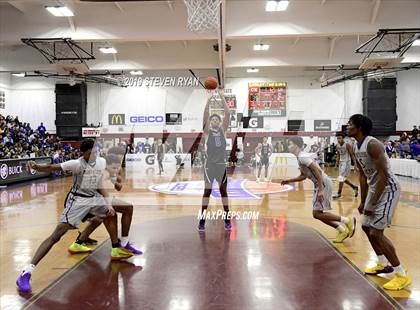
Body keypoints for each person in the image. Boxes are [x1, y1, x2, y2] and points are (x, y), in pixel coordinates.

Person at [16, 139, 133, 293]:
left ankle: (119, 246)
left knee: (119, 210)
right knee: (56, 236)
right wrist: (37, 167)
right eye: (91, 153)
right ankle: (26, 273)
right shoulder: (76, 164)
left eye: (96, 152)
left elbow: (100, 184)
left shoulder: (100, 161)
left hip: (93, 199)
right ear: (83, 153)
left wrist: (109, 200)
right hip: (77, 201)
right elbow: (52, 167)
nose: (94, 155)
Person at [347, 114, 411, 291]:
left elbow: (383, 175)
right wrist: (363, 201)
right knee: (366, 227)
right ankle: (384, 264)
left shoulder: (373, 144)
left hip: (388, 189)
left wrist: (373, 203)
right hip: (374, 188)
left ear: (359, 127)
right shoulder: (354, 145)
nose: (347, 126)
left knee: (376, 233)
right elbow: (362, 174)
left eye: (350, 124)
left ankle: (401, 275)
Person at [279, 137, 356, 243]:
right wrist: (289, 180)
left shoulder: (302, 157)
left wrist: (320, 189)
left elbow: (317, 171)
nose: (288, 146)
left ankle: (347, 221)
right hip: (321, 183)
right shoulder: (300, 158)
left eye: (290, 144)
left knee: (317, 214)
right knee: (318, 214)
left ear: (296, 145)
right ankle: (342, 230)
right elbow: (303, 176)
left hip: (322, 183)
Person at [68, 148, 142, 256]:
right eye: (114, 167)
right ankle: (123, 244)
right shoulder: (100, 170)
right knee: (126, 208)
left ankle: (78, 244)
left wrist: (115, 180)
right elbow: (98, 188)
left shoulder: (110, 170)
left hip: (86, 199)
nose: (117, 169)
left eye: (118, 166)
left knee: (98, 219)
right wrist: (108, 202)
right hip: (83, 200)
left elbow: (119, 187)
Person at [198, 89, 231, 231]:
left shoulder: (223, 130)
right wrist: (209, 100)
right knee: (207, 192)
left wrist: (222, 97)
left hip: (221, 166)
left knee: (224, 192)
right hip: (209, 166)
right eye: (213, 119)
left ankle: (227, 220)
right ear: (210, 122)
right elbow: (205, 115)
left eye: (217, 119)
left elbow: (228, 114)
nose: (215, 120)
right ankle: (202, 220)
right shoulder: (207, 132)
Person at [333, 133, 359, 199]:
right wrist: (336, 164)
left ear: (343, 138)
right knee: (342, 178)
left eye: (340, 138)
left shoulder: (347, 145)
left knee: (341, 178)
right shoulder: (337, 145)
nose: (338, 139)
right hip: (341, 163)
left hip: (347, 162)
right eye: (337, 138)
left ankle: (339, 193)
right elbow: (338, 155)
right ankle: (354, 187)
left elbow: (352, 155)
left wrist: (355, 165)